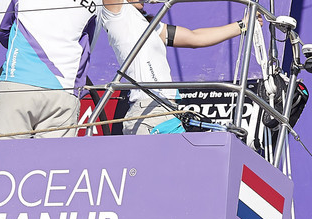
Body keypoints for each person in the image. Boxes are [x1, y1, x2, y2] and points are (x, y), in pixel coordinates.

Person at [100, 0, 247, 135]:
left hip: (167, 111)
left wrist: (243, 25)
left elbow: (195, 37)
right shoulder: (118, 15)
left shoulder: (149, 24)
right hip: (148, 113)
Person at [0, 0, 99, 138]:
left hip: (18, 80)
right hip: (64, 91)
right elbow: (88, 46)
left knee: (8, 151)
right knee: (54, 153)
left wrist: (23, 52)